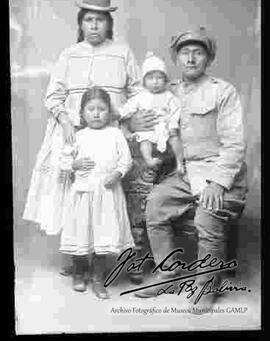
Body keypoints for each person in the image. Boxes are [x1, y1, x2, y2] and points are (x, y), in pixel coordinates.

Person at [22, 0, 140, 273]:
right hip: (76, 134)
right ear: (80, 23)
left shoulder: (122, 52)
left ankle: (126, 260)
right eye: (88, 19)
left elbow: (137, 92)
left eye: (100, 19)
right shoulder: (69, 54)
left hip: (114, 133)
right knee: (76, 195)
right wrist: (64, 121)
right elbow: (54, 95)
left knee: (118, 195)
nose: (94, 25)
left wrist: (117, 114)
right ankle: (77, 257)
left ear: (109, 23)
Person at [134, 27, 248, 312]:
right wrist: (134, 125)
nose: (191, 58)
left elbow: (235, 144)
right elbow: (140, 119)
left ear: (208, 58)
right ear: (176, 58)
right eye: (185, 53)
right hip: (185, 173)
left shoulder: (222, 91)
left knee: (207, 217)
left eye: (198, 52)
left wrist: (218, 183)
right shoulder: (166, 91)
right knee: (155, 204)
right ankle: (168, 272)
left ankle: (207, 286)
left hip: (221, 172)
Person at [59, 87, 134, 297]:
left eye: (101, 109)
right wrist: (74, 164)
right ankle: (79, 272)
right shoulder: (78, 136)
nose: (96, 113)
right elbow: (63, 161)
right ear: (82, 113)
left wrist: (117, 174)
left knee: (102, 235)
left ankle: (98, 278)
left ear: (109, 112)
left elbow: (126, 160)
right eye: (90, 109)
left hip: (107, 193)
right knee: (82, 232)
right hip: (84, 193)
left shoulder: (115, 134)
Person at [118, 52, 185, 173]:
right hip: (148, 128)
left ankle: (179, 163)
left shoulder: (169, 96)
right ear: (144, 81)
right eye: (150, 78)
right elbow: (128, 109)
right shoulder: (140, 97)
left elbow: (176, 110)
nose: (155, 82)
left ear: (165, 80)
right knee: (145, 141)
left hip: (165, 126)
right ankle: (148, 159)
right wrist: (119, 114)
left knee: (175, 139)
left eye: (159, 78)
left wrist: (173, 124)